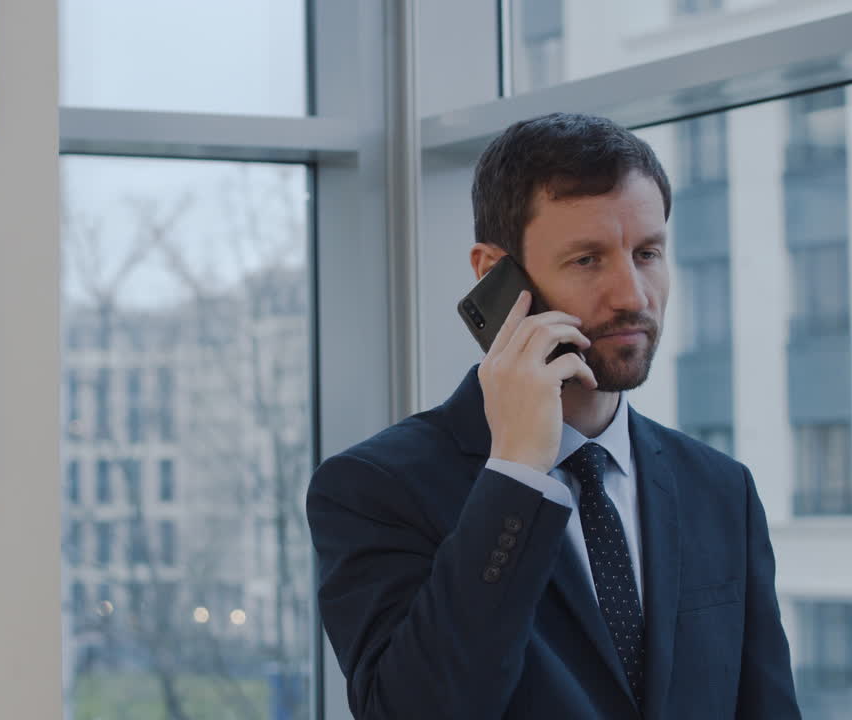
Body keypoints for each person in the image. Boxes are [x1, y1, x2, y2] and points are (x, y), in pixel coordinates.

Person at [305, 113, 801, 719]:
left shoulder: (721, 488)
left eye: (647, 253)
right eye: (588, 260)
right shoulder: (374, 488)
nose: (633, 296)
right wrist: (515, 475)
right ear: (495, 275)